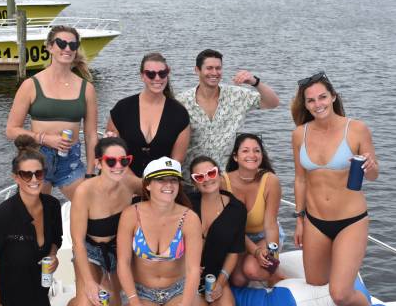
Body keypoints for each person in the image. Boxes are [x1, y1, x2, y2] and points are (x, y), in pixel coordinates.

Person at [291, 72, 378, 306]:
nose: (318, 104)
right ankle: (347, 282)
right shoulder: (300, 134)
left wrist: (370, 166)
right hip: (315, 221)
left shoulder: (357, 129)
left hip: (351, 220)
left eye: (322, 97)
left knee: (339, 294)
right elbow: (300, 179)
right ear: (306, 105)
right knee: (315, 281)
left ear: (333, 97)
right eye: (311, 100)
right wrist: (300, 219)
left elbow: (373, 174)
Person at [6, 25, 98, 201]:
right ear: (49, 47)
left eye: (73, 45)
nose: (67, 48)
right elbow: (11, 130)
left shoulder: (87, 89)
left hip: (70, 160)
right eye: (61, 43)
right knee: (35, 215)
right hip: (37, 158)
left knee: (90, 206)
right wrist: (45, 139)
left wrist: (90, 173)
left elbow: (91, 135)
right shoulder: (31, 85)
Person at [0, 135, 63, 306]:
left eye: (39, 173)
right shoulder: (1, 217)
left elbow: (56, 239)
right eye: (27, 175)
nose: (34, 180)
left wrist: (53, 256)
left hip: (35, 286)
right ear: (16, 177)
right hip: (7, 290)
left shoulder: (52, 206)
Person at [117, 157, 203, 306]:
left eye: (173, 180)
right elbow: (123, 263)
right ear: (147, 185)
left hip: (178, 291)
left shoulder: (190, 218)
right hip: (140, 291)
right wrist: (134, 303)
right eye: (161, 180)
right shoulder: (131, 215)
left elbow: (193, 269)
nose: (169, 185)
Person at [62, 137, 136, 306]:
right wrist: (89, 283)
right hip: (90, 252)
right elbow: (77, 242)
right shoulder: (84, 192)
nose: (118, 166)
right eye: (111, 161)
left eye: (124, 160)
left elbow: (160, 186)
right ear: (97, 163)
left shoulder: (130, 186)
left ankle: (109, 285)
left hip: (118, 252)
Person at [177, 48, 279, 178]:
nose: (214, 72)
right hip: (192, 178)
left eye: (218, 68)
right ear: (197, 70)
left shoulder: (237, 95)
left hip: (227, 178)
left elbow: (273, 102)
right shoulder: (181, 101)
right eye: (209, 68)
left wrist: (255, 82)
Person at [106, 53, 190, 192]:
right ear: (142, 76)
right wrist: (136, 184)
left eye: (162, 73)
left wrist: (153, 186)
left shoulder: (179, 113)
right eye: (151, 74)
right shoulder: (122, 108)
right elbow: (112, 153)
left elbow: (176, 162)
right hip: (121, 182)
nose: (157, 78)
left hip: (161, 187)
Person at [188, 156, 247, 306]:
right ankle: (197, 303)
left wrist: (221, 283)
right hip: (186, 273)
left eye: (211, 173)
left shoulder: (237, 209)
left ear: (220, 175)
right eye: (199, 177)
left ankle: (203, 301)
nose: (206, 179)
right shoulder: (186, 203)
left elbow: (234, 252)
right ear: (194, 183)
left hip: (213, 275)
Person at [223, 133, 284, 287]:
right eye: (245, 151)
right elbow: (232, 228)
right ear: (235, 157)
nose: (252, 155)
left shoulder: (270, 181)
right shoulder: (223, 182)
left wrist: (272, 258)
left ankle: (275, 277)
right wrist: (255, 251)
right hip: (238, 238)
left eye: (257, 151)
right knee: (238, 280)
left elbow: (271, 225)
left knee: (252, 270)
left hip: (265, 235)